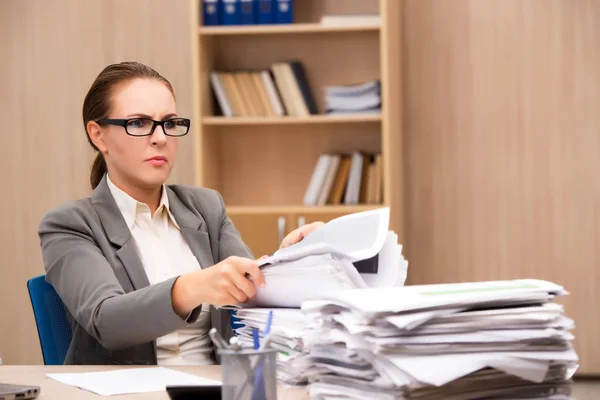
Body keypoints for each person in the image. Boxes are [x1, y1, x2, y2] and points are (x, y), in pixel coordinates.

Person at [38, 61, 322, 365]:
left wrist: (290, 260)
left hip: (214, 386)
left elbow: (248, 292)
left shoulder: (205, 206)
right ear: (99, 135)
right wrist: (191, 287)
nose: (160, 137)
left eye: (169, 123)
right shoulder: (69, 224)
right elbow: (106, 320)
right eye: (138, 123)